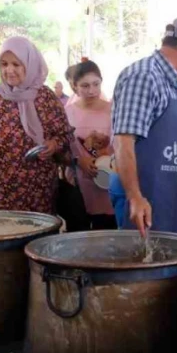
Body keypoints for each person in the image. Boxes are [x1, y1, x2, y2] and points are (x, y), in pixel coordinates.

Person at [109, 18, 177, 236]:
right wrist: (135, 197)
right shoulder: (144, 76)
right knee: (139, 265)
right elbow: (123, 142)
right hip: (143, 199)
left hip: (166, 198)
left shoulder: (173, 81)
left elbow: (156, 147)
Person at [0, 36, 74, 213]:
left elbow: (65, 135)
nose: (9, 70)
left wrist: (53, 145)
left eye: (16, 64)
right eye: (4, 64)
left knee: (35, 239)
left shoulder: (46, 98)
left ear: (29, 64)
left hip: (37, 192)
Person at [63, 59, 115, 230]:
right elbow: (60, 149)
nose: (91, 90)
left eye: (96, 84)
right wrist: (78, 161)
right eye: (85, 86)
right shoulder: (67, 113)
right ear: (74, 87)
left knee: (106, 237)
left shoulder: (113, 111)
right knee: (79, 233)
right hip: (78, 185)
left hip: (108, 182)